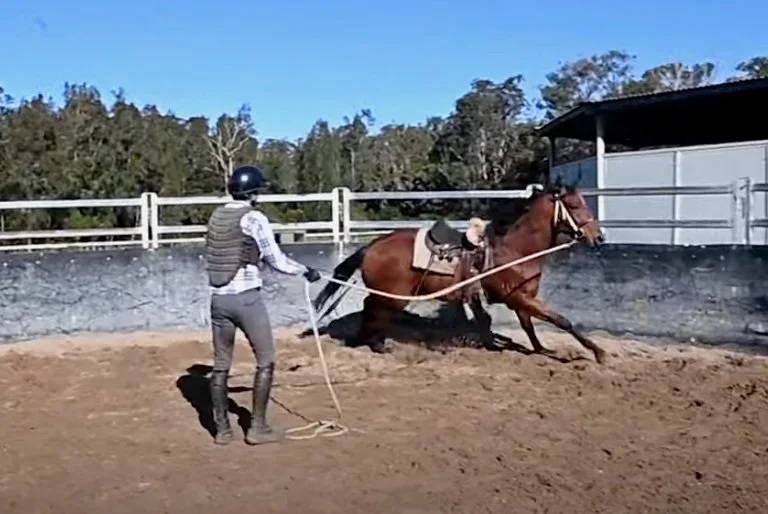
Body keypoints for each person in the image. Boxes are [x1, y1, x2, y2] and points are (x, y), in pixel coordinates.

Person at [204, 165, 321, 445]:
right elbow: (276, 260)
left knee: (221, 364)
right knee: (266, 359)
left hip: (218, 299)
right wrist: (305, 270)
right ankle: (257, 428)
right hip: (246, 299)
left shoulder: (217, 215)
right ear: (253, 193)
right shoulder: (254, 218)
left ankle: (222, 430)